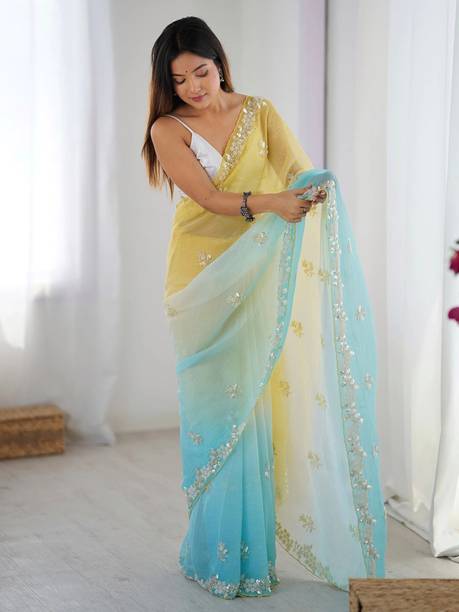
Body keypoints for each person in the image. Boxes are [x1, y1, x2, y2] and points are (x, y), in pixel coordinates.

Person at [141, 16, 387, 600]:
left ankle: (253, 557)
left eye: (202, 72)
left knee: (254, 401)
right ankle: (216, 554)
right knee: (217, 406)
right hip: (202, 277)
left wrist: (314, 186)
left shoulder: (260, 111)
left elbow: (297, 169)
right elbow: (207, 197)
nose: (194, 87)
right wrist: (274, 201)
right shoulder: (167, 129)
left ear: (219, 63)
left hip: (258, 270)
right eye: (180, 80)